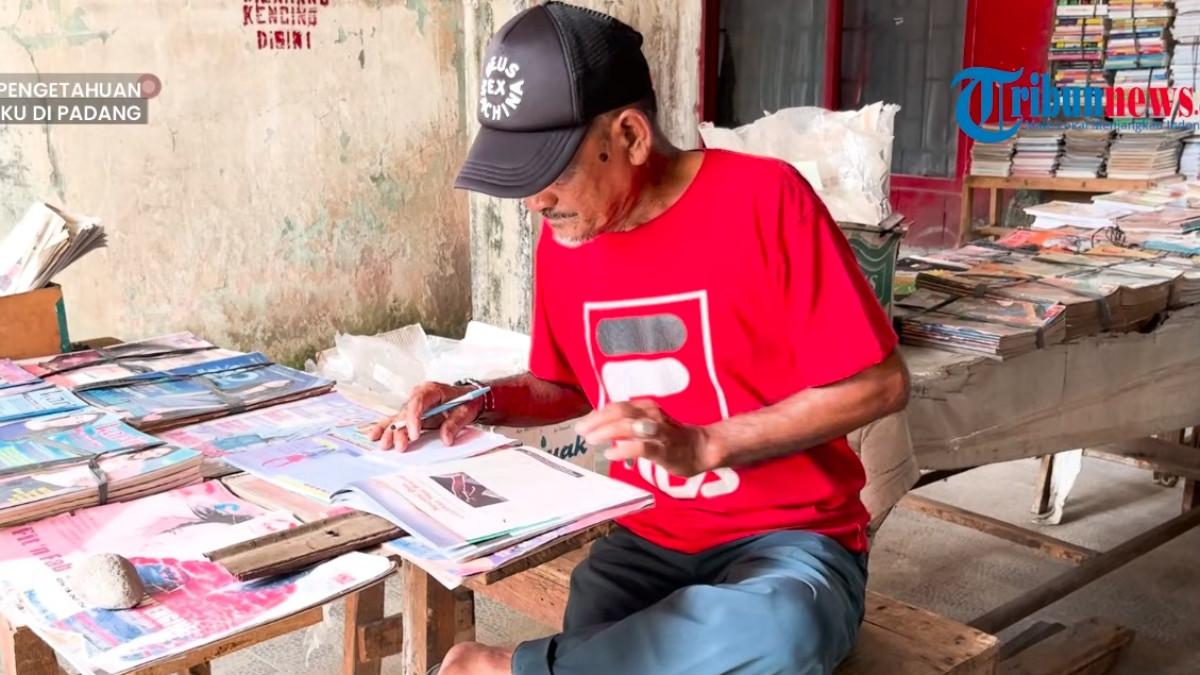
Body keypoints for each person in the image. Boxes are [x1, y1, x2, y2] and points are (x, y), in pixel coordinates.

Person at [368, 3, 910, 674]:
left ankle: (516, 667)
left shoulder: (764, 199)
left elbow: (881, 382)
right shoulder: (567, 234)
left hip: (789, 540)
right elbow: (564, 386)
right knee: (607, 617)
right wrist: (478, 398)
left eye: (554, 171)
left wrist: (709, 442)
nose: (536, 202)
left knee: (786, 628)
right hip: (649, 540)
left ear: (627, 134)